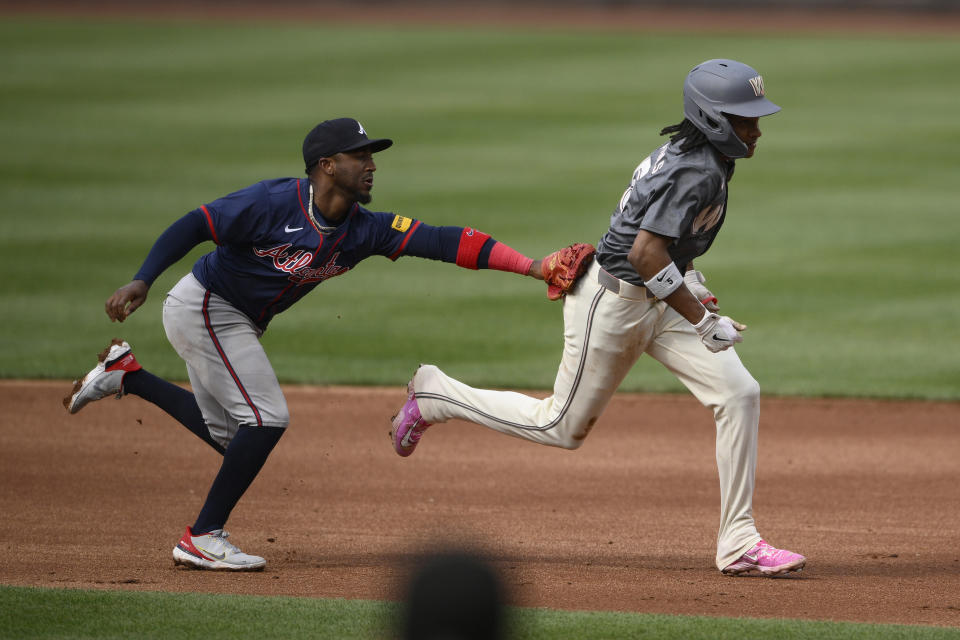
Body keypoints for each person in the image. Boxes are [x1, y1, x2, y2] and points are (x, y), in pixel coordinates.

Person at [62, 117, 588, 571]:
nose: (372, 164)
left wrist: (534, 267)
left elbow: (445, 240)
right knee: (266, 419)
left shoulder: (365, 230)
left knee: (234, 438)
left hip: (236, 320)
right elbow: (196, 223)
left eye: (372, 155)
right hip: (204, 306)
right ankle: (202, 537)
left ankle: (126, 374)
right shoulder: (270, 203)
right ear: (326, 165)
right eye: (360, 155)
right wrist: (143, 278)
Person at [390, 60, 806, 577]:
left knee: (739, 393)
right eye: (746, 119)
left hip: (657, 297)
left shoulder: (708, 157)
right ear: (714, 118)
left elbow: (672, 244)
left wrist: (691, 281)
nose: (757, 128)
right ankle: (436, 395)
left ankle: (739, 541)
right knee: (561, 427)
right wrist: (700, 319)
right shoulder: (695, 169)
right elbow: (645, 254)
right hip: (613, 304)